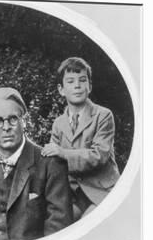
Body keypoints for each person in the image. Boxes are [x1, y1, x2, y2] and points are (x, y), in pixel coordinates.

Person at [0, 88, 73, 240]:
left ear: (24, 121)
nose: (6, 127)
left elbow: (58, 228)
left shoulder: (50, 163)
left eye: (12, 119)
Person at [42, 57, 120, 220]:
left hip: (101, 191)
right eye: (70, 81)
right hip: (74, 194)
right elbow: (54, 164)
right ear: (61, 89)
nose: (77, 85)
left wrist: (62, 153)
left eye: (82, 80)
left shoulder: (103, 115)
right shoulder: (58, 123)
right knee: (54, 223)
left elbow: (98, 156)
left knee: (86, 225)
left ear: (89, 86)